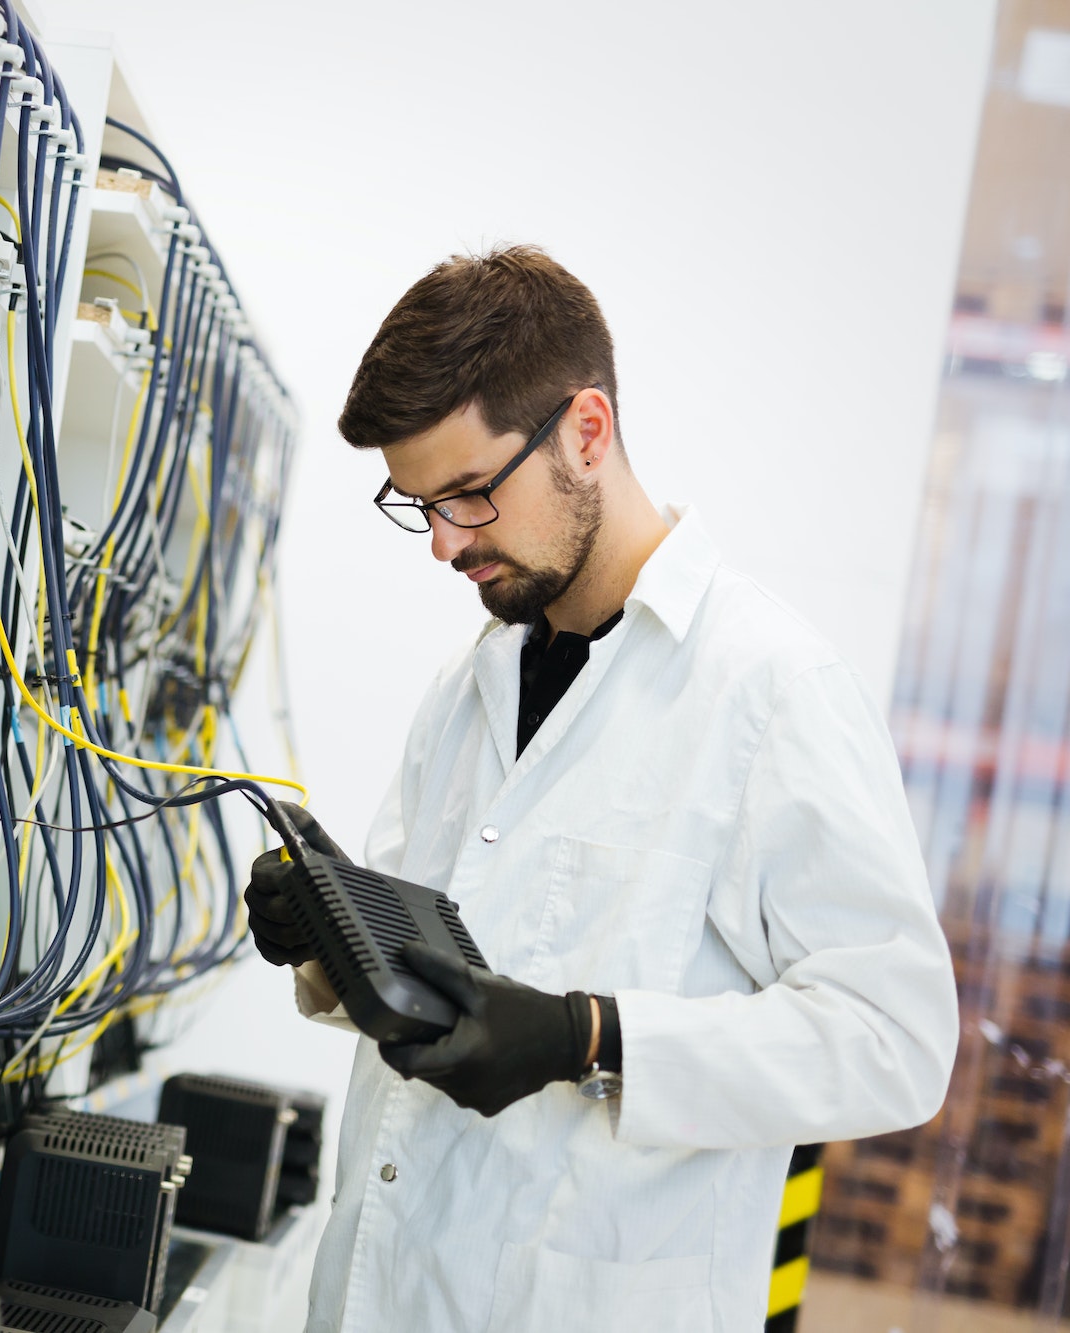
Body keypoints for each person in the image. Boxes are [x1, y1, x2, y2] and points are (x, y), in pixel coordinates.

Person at [246, 246, 957, 1333]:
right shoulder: (471, 679)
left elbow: (893, 1039)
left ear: (585, 431)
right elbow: (434, 994)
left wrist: (592, 1037)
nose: (442, 543)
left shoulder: (767, 690)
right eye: (417, 504)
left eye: (470, 494)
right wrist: (326, 935)